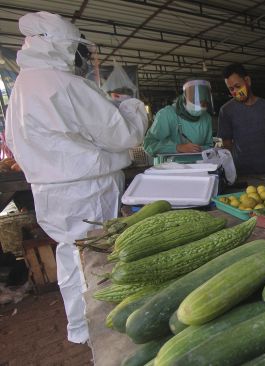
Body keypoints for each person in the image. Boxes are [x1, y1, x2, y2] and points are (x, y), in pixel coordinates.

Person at [5, 12, 148, 343]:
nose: (84, 59)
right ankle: (105, 329)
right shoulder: (66, 84)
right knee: (98, 256)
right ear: (62, 47)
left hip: (49, 191)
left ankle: (81, 327)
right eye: (80, 51)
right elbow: (122, 135)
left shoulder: (23, 88)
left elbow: (16, 143)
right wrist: (133, 108)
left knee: (71, 253)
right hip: (87, 187)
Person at [218, 63, 265, 175]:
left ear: (248, 81)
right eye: (231, 89)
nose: (235, 92)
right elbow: (227, 144)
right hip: (242, 173)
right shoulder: (226, 110)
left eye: (238, 86)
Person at [143, 80, 214, 156]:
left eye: (203, 103)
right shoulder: (167, 114)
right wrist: (178, 148)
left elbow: (209, 146)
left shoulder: (206, 117)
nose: (200, 107)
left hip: (200, 165)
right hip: (170, 165)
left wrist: (200, 149)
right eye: (195, 102)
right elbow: (149, 145)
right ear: (185, 98)